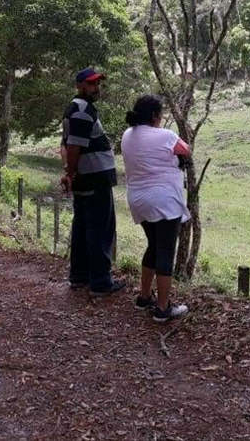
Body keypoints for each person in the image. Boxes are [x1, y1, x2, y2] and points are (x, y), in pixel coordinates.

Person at [120, 95, 191, 322]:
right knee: (165, 252)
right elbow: (186, 150)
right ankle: (163, 308)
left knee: (153, 245)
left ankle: (144, 297)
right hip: (165, 201)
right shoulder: (166, 135)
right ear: (154, 116)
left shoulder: (127, 135)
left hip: (138, 201)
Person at [60, 68, 125, 297]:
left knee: (83, 225)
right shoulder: (81, 110)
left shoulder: (76, 108)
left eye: (97, 83)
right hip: (94, 178)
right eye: (91, 84)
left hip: (87, 177)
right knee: (100, 228)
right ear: (79, 85)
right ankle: (100, 282)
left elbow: (65, 144)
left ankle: (79, 276)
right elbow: (73, 147)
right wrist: (71, 173)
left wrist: (70, 172)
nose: (96, 88)